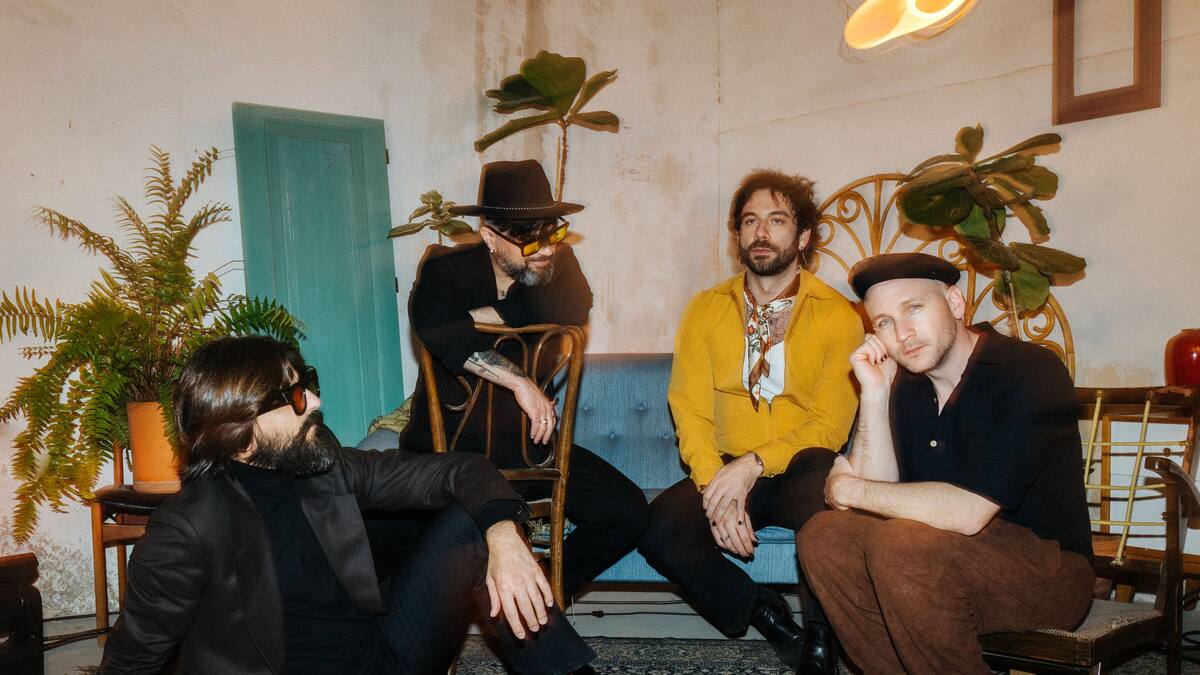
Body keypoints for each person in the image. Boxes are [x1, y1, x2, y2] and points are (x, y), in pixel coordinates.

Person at [99, 336, 593, 674]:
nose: (314, 402)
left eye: (307, 384)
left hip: (384, 655)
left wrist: (504, 535)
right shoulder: (187, 530)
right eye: (295, 396)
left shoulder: (324, 466)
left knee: (475, 523)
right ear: (241, 433)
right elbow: (132, 659)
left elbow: (459, 470)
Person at [798, 252, 1094, 674]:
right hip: (928, 561)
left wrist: (850, 487)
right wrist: (875, 395)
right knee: (823, 535)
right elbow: (868, 502)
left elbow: (968, 513)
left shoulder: (1028, 371)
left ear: (955, 303)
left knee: (902, 544)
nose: (902, 334)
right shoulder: (902, 382)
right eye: (884, 322)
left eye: (913, 309)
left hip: (1048, 573)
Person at [637, 169, 863, 674]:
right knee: (658, 529)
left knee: (825, 488)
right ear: (738, 235)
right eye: (750, 221)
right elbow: (690, 409)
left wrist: (753, 464)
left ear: (802, 237)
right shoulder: (705, 310)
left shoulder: (838, 316)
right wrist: (715, 483)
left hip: (798, 467)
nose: (761, 232)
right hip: (724, 463)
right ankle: (765, 612)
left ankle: (821, 642)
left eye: (777, 220)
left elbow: (829, 426)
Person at [404, 159, 649, 603]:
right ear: (489, 237)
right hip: (452, 456)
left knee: (626, 510)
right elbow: (433, 326)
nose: (546, 249)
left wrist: (481, 319)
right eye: (529, 238)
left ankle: (544, 592)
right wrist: (520, 382)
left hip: (530, 453)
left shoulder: (560, 264)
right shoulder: (445, 268)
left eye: (552, 233)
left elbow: (574, 304)